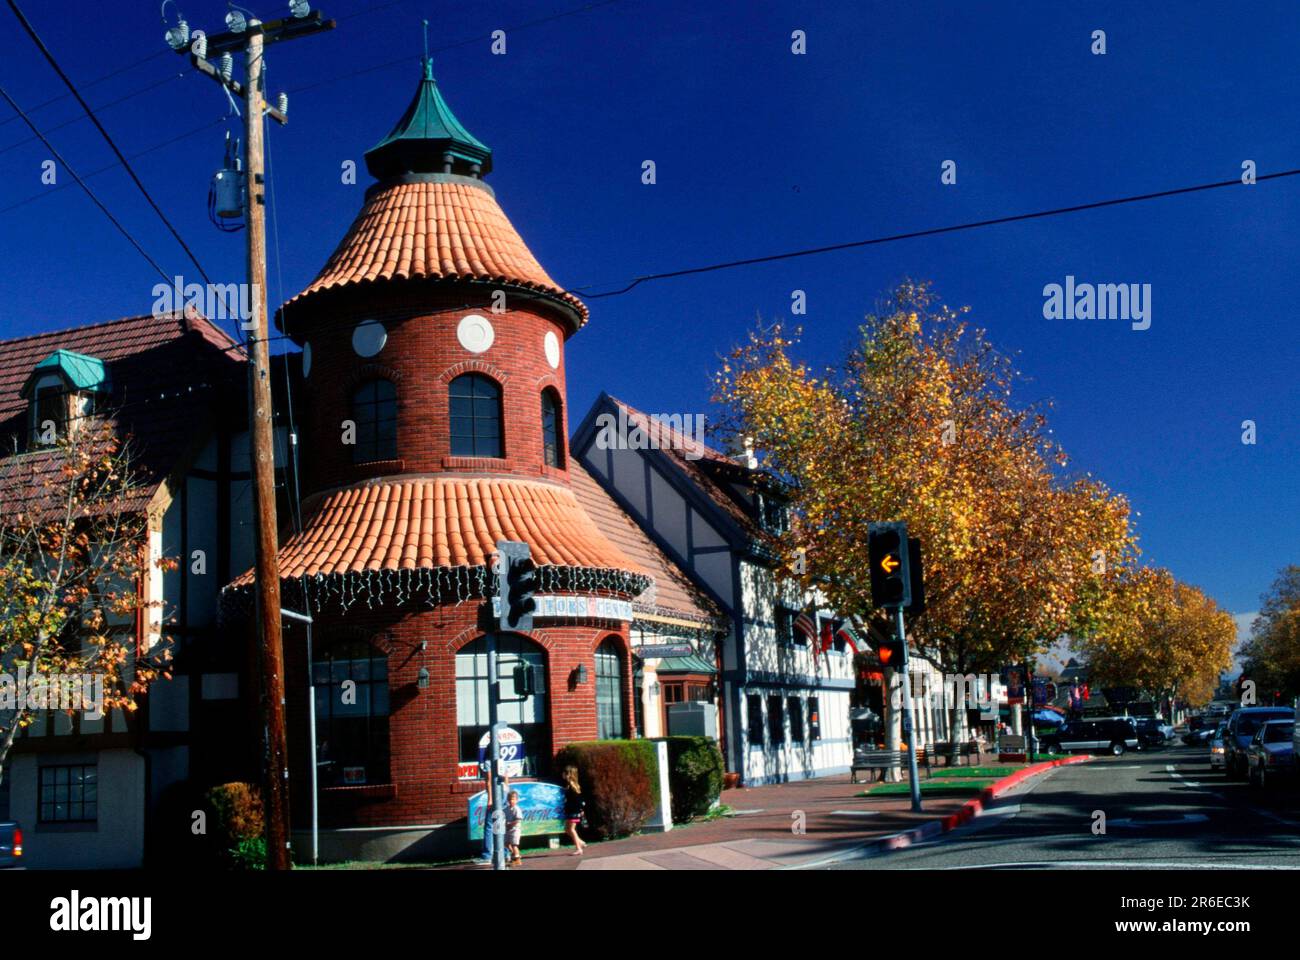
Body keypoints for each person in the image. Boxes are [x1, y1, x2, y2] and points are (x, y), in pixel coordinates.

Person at [478, 754, 510, 866]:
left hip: (496, 795)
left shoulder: (488, 762)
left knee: (489, 825)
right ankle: (505, 853)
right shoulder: (502, 760)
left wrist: (490, 799)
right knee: (499, 823)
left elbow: (489, 781)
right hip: (503, 794)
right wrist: (506, 796)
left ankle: (487, 855)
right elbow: (506, 779)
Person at [561, 766, 586, 856]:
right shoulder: (570, 785)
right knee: (567, 829)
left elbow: (577, 799)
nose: (562, 774)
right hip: (571, 810)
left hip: (573, 811)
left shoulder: (572, 786)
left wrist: (580, 809)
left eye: (564, 772)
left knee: (571, 829)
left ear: (568, 775)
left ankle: (579, 848)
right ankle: (581, 843)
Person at [505, 790, 523, 867]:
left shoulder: (517, 809)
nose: (511, 801)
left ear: (517, 800)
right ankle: (515, 855)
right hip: (508, 830)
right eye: (509, 799)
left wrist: (510, 824)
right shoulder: (506, 809)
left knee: (514, 844)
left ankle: (517, 860)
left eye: (513, 799)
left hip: (515, 829)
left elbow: (518, 820)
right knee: (506, 843)